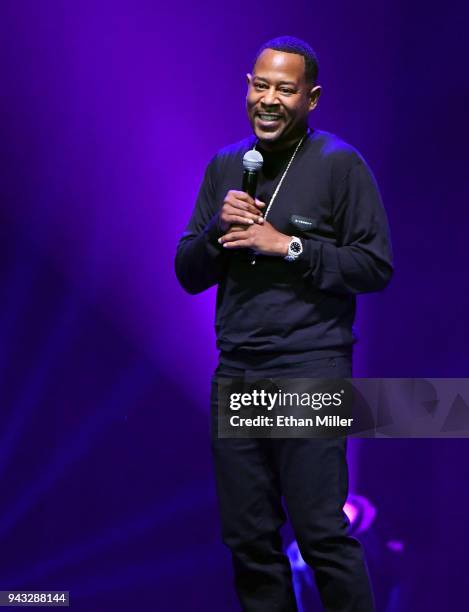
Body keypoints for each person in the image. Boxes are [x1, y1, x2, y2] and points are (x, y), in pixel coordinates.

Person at [175, 35, 393, 612]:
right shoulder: (227, 166)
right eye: (260, 85)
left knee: (321, 534)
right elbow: (188, 273)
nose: (268, 99)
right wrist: (215, 233)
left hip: (308, 369)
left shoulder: (339, 164)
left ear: (312, 98)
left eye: (285, 89)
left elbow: (375, 266)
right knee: (249, 542)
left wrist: (290, 246)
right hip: (238, 374)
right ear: (247, 88)